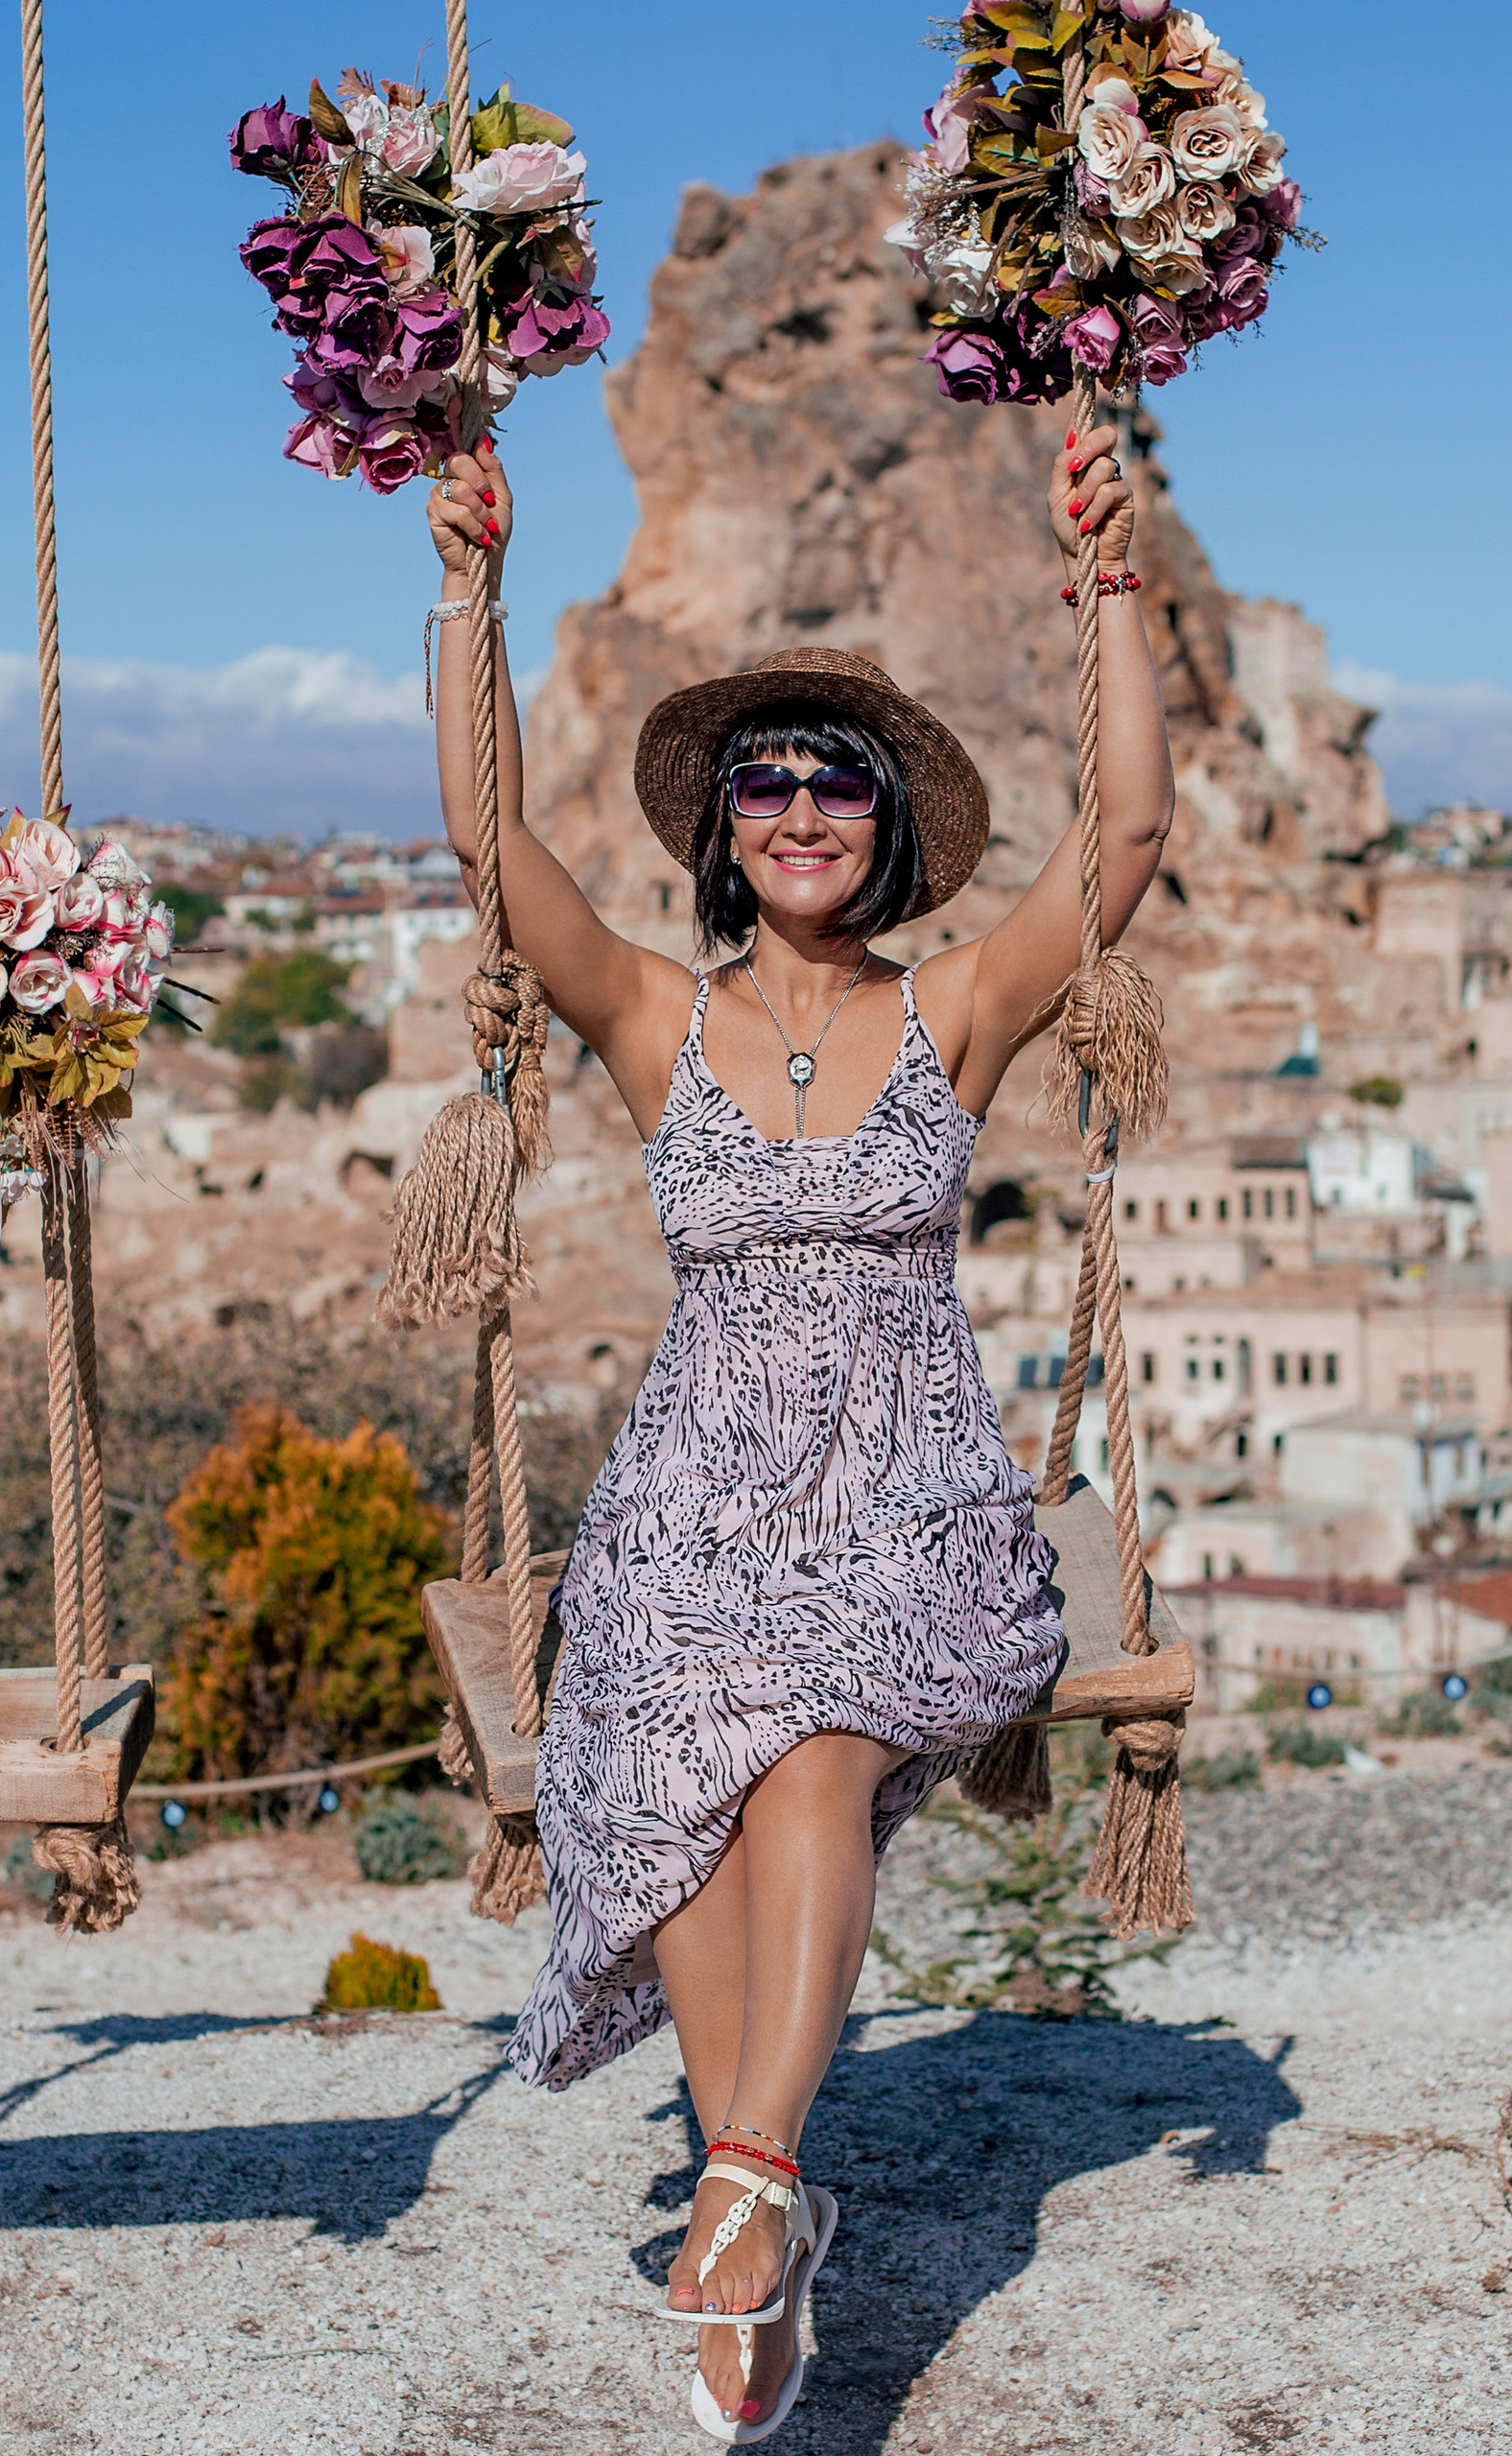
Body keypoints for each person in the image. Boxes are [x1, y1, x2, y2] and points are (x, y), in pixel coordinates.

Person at [423, 420, 1172, 2444]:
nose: (796, 807)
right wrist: (470, 598)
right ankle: (762, 2189)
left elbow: (1114, 854)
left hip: (907, 1479)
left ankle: (744, 2184)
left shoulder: (956, 1010)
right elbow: (492, 852)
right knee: (667, 1742)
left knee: (815, 1738)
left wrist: (1107, 583)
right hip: (699, 1478)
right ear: (721, 829)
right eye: (761, 782)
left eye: (833, 781)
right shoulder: (657, 1015)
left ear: (884, 827)